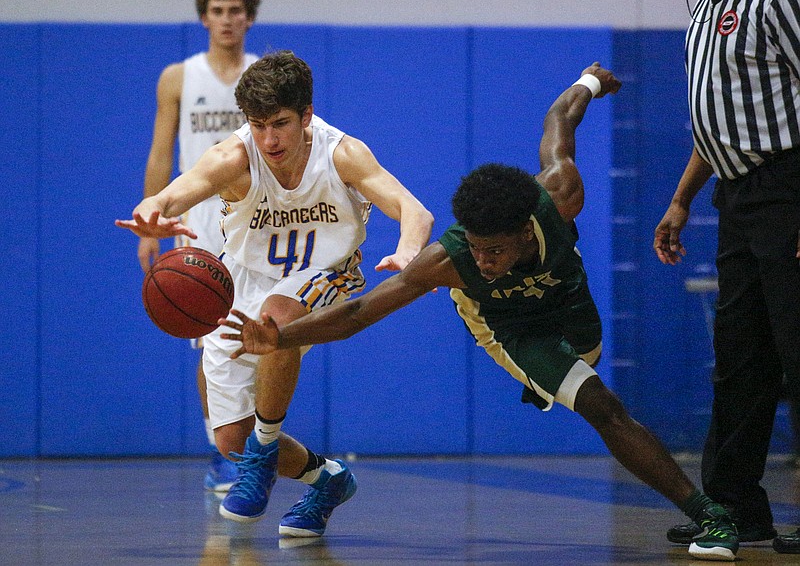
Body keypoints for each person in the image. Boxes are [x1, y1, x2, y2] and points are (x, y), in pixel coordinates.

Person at [217, 63, 740, 562]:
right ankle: (709, 514)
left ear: (522, 232)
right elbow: (358, 312)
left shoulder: (560, 192)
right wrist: (280, 339)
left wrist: (590, 82)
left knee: (587, 355)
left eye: (495, 251)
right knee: (601, 406)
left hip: (567, 297)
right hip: (509, 325)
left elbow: (560, 117)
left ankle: (546, 381)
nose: (484, 261)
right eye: (476, 248)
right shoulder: (451, 261)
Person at [117, 50, 434, 536]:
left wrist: (409, 252)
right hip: (241, 281)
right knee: (229, 440)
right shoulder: (235, 156)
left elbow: (415, 212)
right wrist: (153, 209)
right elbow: (180, 190)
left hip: (326, 273)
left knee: (277, 320)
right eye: (258, 124)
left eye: (280, 124)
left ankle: (264, 450)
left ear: (306, 115)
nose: (269, 139)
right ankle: (326, 478)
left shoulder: (342, 153)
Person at [654, 0, 800, 555]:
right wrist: (681, 199)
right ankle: (736, 509)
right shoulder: (706, 2)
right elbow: (718, 122)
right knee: (740, 357)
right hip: (738, 195)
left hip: (789, 187)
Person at [137, 0, 262, 493]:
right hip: (198, 223)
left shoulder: (266, 75)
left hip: (259, 221)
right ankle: (223, 451)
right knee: (212, 341)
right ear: (204, 17)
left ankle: (257, 443)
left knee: (260, 341)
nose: (227, 19)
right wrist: (149, 227)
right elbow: (162, 153)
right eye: (218, 10)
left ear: (249, 17)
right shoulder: (179, 78)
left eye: (236, 10)